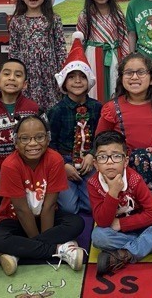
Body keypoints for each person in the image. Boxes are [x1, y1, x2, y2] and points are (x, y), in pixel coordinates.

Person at [0, 115, 86, 276]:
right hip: (15, 219)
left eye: (39, 137)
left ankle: (18, 252)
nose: (33, 144)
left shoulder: (54, 159)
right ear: (16, 142)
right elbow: (21, 209)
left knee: (77, 222)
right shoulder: (10, 165)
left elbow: (50, 205)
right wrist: (47, 244)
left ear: (47, 139)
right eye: (25, 139)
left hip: (47, 217)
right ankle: (61, 249)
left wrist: (39, 240)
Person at [88, 131, 152, 275]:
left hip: (142, 225)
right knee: (98, 237)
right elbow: (102, 221)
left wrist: (121, 224)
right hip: (118, 232)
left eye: (116, 156)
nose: (110, 161)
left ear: (125, 161)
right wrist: (113, 192)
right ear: (95, 164)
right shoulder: (93, 183)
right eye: (103, 157)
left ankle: (125, 254)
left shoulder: (134, 179)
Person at [96, 53, 152, 215]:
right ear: (121, 78)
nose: (134, 77)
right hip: (125, 168)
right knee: (130, 211)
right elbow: (101, 140)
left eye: (141, 72)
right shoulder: (112, 108)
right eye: (128, 73)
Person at [47, 33, 102, 214]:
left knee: (93, 207)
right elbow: (50, 144)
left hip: (89, 162)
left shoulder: (97, 108)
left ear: (89, 81)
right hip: (66, 163)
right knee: (69, 209)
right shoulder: (56, 110)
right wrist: (63, 165)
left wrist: (92, 155)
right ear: (64, 82)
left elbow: (101, 137)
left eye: (82, 77)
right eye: (72, 77)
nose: (77, 81)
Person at [0, 59, 40, 219]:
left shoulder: (33, 108)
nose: (12, 78)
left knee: (31, 210)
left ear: (25, 84)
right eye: (7, 74)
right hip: (0, 172)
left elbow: (45, 137)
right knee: (3, 214)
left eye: (18, 75)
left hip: (30, 172)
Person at [8, 0, 67, 111]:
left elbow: (60, 48)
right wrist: (14, 74)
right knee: (28, 108)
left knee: (52, 109)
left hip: (49, 74)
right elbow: (13, 50)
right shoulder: (17, 21)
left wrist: (62, 74)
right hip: (26, 74)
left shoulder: (53, 19)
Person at [77, 0, 130, 101]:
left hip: (114, 56)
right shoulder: (85, 15)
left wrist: (125, 61)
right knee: (95, 90)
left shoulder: (117, 14)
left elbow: (124, 38)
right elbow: (79, 42)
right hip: (93, 57)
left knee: (115, 87)